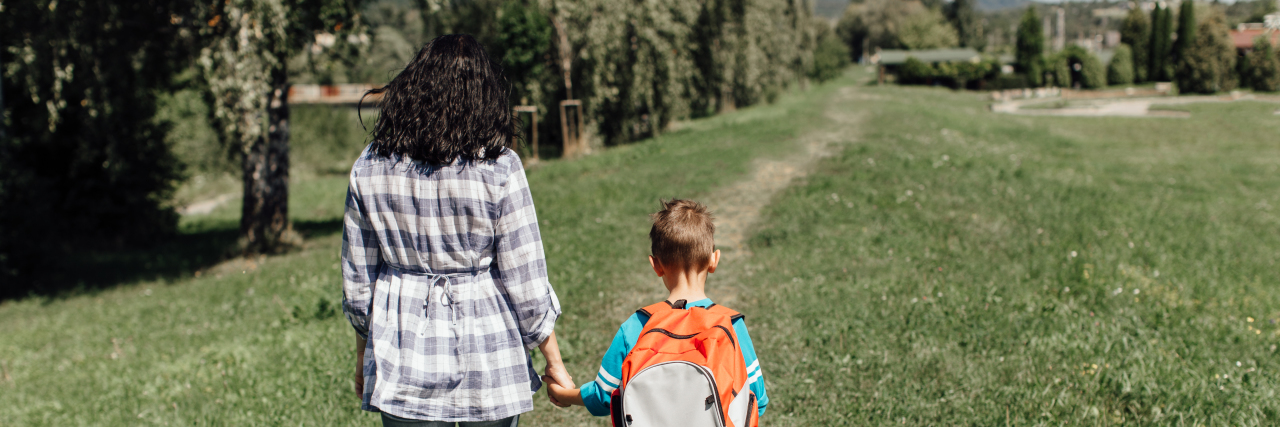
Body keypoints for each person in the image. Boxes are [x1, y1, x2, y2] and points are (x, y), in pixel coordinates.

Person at [340, 34, 573, 427]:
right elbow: (526, 280)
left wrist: (363, 353)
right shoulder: (500, 167)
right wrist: (554, 361)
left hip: (402, 352)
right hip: (488, 356)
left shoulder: (369, 165)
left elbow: (359, 283)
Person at [545, 199, 768, 419]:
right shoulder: (730, 324)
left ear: (656, 265)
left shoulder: (638, 325)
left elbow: (604, 395)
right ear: (714, 260)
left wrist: (564, 394)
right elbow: (756, 400)